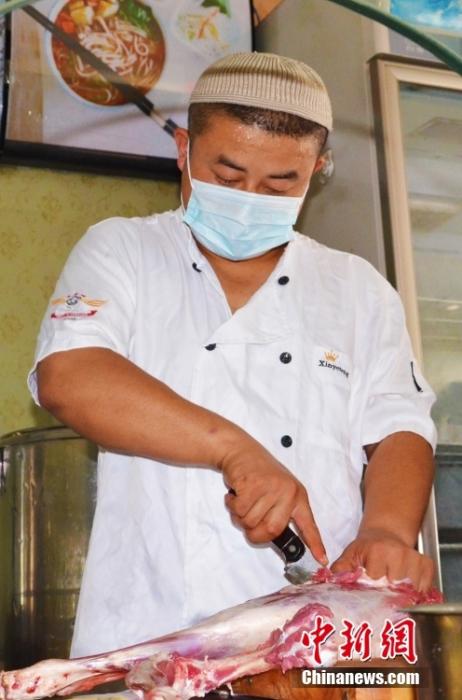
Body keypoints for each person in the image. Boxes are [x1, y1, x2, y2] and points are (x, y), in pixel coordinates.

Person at [28, 52, 437, 658]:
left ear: (317, 169)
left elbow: (399, 424)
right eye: (228, 174)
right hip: (151, 640)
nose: (249, 198)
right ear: (184, 149)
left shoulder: (356, 288)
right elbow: (71, 374)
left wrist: (387, 530)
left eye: (279, 185)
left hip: (319, 647)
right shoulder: (123, 250)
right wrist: (235, 450)